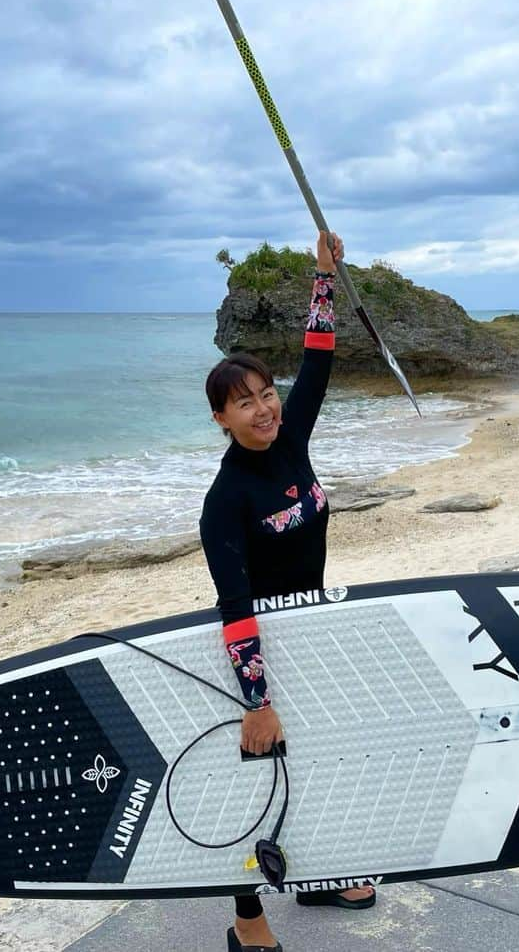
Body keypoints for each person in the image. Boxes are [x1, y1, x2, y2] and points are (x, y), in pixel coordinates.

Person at [200, 231, 376, 952]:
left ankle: (319, 875)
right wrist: (257, 701)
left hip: (312, 631)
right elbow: (235, 607)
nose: (265, 408)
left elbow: (318, 356)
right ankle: (248, 919)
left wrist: (323, 275)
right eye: (245, 403)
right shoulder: (225, 501)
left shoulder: (292, 437)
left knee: (319, 759)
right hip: (256, 650)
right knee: (251, 784)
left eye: (266, 394)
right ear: (220, 417)